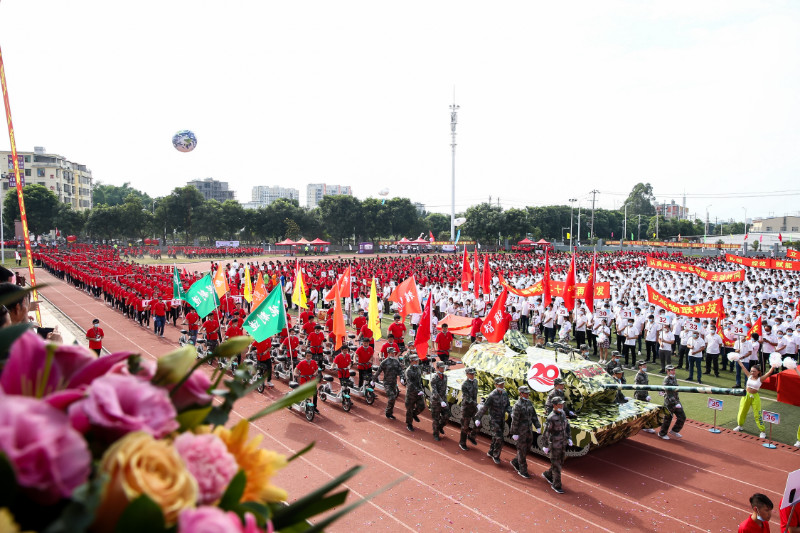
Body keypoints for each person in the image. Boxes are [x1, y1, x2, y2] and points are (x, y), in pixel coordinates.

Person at [733, 361, 776, 439]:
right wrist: (738, 359)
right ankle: (740, 425)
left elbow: (769, 373)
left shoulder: (760, 379)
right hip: (746, 395)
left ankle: (762, 431)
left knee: (757, 414)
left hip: (755, 397)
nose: (752, 372)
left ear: (758, 372)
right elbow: (742, 367)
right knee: (742, 411)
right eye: (751, 371)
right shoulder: (749, 376)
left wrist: (773, 365)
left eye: (754, 371)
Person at [475, 377, 511, 464]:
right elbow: (485, 407)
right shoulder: (492, 396)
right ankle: (496, 455)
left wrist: (512, 412)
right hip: (494, 420)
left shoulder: (505, 394)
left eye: (503, 384)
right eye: (500, 384)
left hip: (501, 419)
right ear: (496, 385)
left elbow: (507, 406)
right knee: (499, 438)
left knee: (496, 437)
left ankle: (491, 451)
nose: (502, 386)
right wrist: (478, 418)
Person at [509, 385, 541, 479]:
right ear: (521, 394)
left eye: (528, 394)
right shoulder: (517, 405)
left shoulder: (529, 403)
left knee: (528, 449)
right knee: (522, 450)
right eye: (526, 393)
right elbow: (515, 420)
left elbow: (534, 415)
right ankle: (523, 470)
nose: (527, 395)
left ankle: (515, 461)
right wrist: (514, 432)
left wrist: (537, 426)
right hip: (521, 432)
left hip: (528, 430)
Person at [542, 397, 571, 494]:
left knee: (560, 462)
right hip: (554, 444)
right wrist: (545, 445)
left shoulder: (563, 413)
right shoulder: (551, 417)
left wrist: (569, 437)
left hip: (562, 443)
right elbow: (546, 432)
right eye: (559, 404)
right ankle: (557, 485)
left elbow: (567, 426)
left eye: (562, 404)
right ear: (554, 405)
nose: (561, 405)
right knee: (557, 465)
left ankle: (548, 474)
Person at [373, 347, 403, 420]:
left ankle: (390, 413)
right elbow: (379, 371)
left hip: (394, 383)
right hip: (387, 383)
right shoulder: (384, 362)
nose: (393, 354)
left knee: (393, 398)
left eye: (394, 353)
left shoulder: (396, 361)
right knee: (392, 397)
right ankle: (388, 412)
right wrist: (373, 380)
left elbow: (400, 371)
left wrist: (402, 378)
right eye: (392, 353)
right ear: (388, 353)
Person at [659, 365, 686, 440]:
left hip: (676, 401)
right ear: (667, 371)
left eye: (674, 370)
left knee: (682, 417)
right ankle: (662, 433)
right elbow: (668, 393)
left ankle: (674, 430)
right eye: (672, 370)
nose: (674, 372)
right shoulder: (666, 380)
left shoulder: (674, 378)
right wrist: (675, 403)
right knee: (667, 419)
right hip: (669, 403)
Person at [459, 367, 479, 451]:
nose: (472, 375)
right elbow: (468, 398)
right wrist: (476, 404)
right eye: (471, 374)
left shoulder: (475, 381)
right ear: (467, 374)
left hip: (474, 407)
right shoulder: (464, 385)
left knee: (479, 424)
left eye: (473, 373)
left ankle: (471, 436)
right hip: (466, 408)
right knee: (465, 426)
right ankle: (462, 443)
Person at [404, 354, 425, 432]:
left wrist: (421, 388)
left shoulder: (418, 368)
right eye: (415, 361)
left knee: (422, 406)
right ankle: (409, 424)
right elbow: (410, 383)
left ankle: (414, 414)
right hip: (411, 393)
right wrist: (418, 390)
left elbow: (420, 379)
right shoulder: (408, 371)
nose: (417, 362)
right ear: (411, 361)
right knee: (409, 409)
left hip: (419, 392)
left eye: (417, 360)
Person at [429, 361, 449, 441]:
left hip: (444, 399)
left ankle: (440, 427)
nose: (443, 368)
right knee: (436, 419)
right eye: (441, 367)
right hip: (436, 401)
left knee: (447, 415)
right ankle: (436, 434)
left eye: (443, 367)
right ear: (437, 368)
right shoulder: (434, 378)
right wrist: (440, 401)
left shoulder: (445, 377)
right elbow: (434, 391)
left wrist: (444, 400)